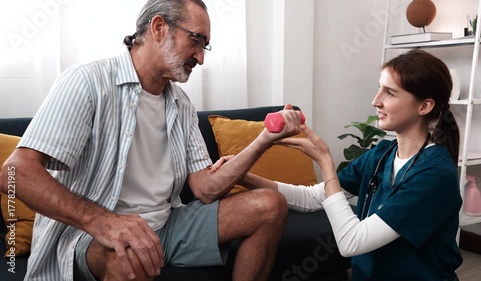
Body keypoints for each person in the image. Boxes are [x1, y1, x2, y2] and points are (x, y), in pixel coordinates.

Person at [0, 0, 305, 280]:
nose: (199, 57)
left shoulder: (181, 105)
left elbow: (206, 188)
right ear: (159, 28)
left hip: (168, 224)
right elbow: (15, 172)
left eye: (205, 47)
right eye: (195, 40)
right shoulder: (87, 82)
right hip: (91, 237)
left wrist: (265, 139)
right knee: (128, 258)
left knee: (270, 205)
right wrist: (105, 223)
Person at [213, 49, 463, 280]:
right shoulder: (381, 155)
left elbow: (351, 242)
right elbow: (313, 197)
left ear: (425, 106)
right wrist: (243, 174)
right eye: (379, 89)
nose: (376, 101)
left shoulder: (435, 174)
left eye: (390, 93)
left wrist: (325, 161)